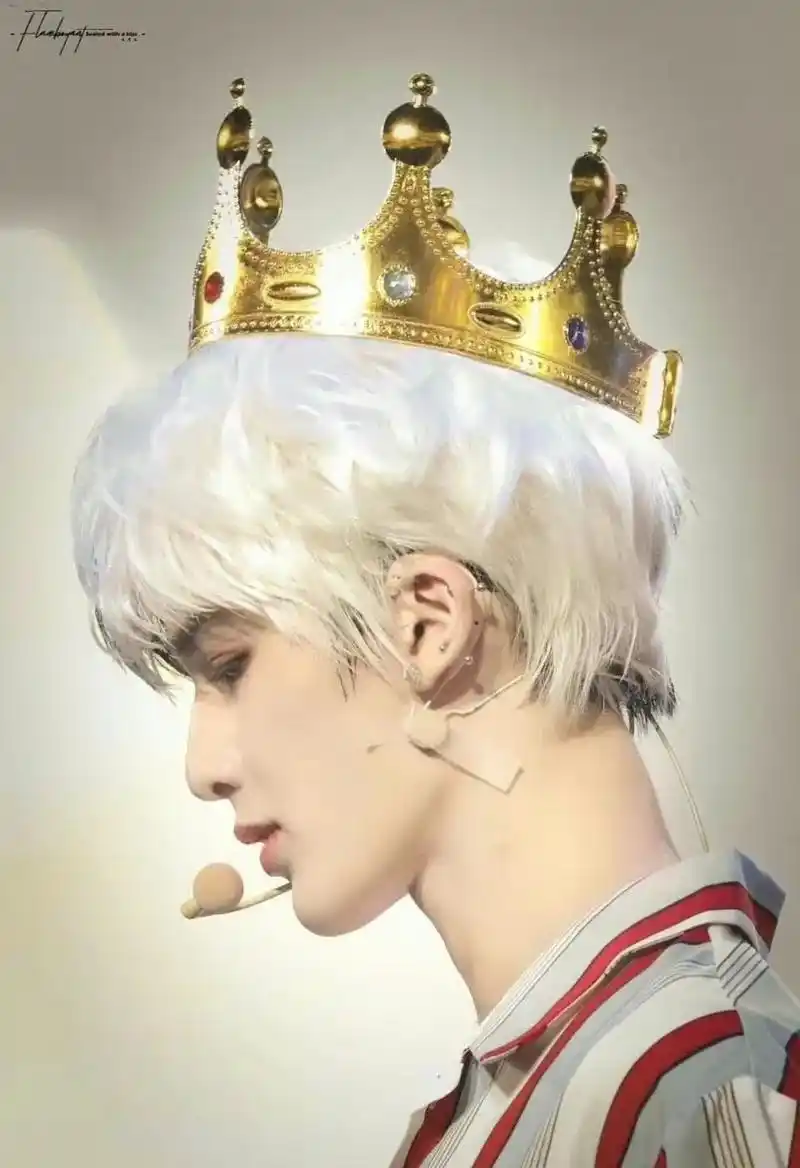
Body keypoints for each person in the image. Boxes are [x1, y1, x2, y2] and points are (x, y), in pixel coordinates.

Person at [70, 73, 800, 1166]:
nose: (202, 767)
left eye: (229, 664)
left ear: (426, 624)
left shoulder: (694, 1099)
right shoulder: (577, 1088)